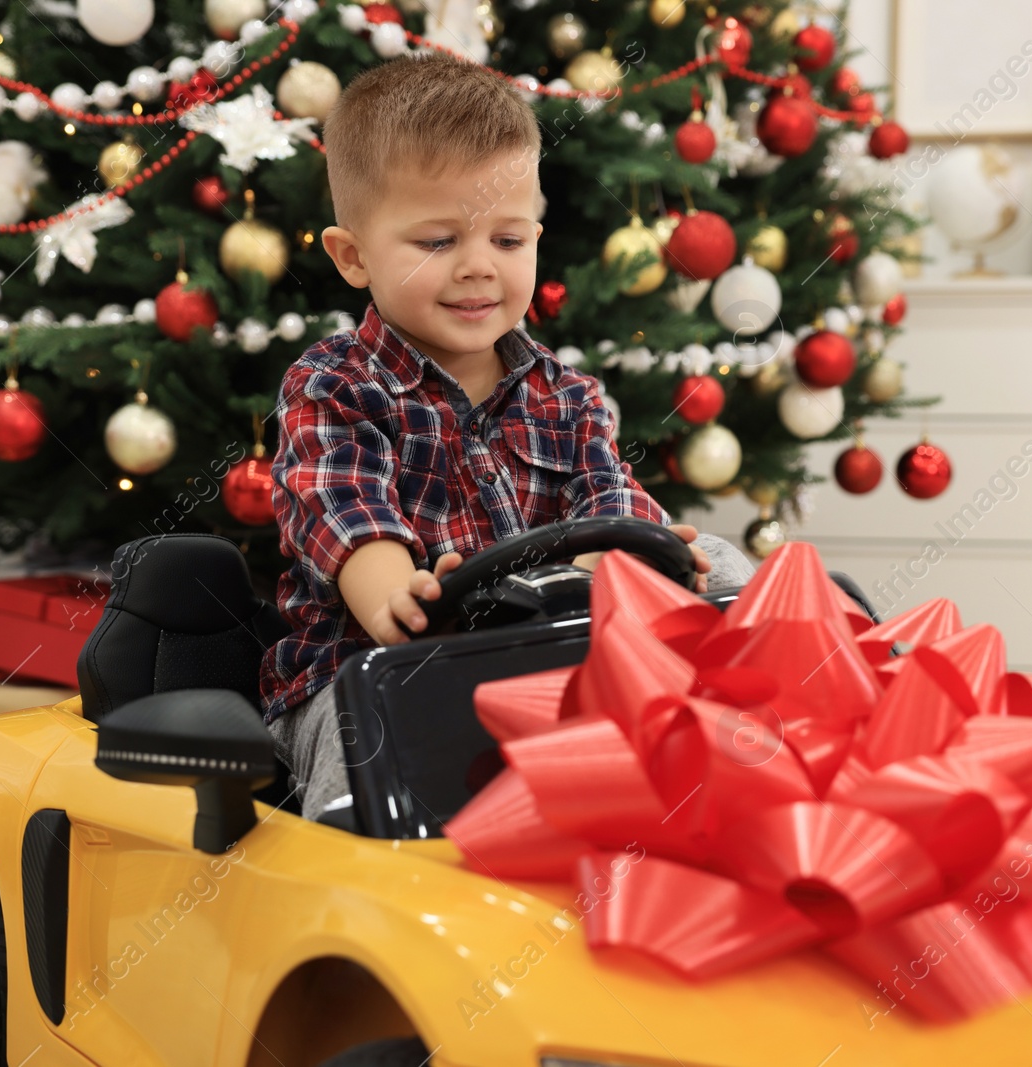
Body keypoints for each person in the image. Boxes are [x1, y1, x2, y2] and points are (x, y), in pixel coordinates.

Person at [263, 50, 756, 821]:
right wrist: (404, 592)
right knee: (374, 739)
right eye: (436, 242)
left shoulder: (567, 395)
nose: (477, 269)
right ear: (352, 256)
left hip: (534, 664)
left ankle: (748, 776)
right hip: (371, 674)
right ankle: (366, 884)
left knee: (722, 562)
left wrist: (646, 557)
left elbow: (610, 502)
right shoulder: (334, 387)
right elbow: (348, 521)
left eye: (507, 240)